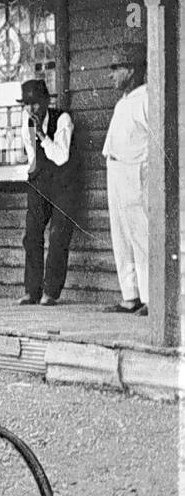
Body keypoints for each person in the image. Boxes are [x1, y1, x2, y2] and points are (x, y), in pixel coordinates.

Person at [17, 79, 78, 307]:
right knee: (32, 234)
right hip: (39, 182)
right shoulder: (27, 121)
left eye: (35, 103)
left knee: (58, 236)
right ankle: (31, 290)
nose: (31, 109)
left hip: (62, 184)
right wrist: (32, 174)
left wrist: (42, 135)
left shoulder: (62, 119)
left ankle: (50, 292)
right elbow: (31, 153)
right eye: (26, 104)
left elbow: (61, 156)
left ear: (45, 101)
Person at [101, 43, 150, 316]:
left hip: (136, 171)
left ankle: (151, 298)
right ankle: (130, 295)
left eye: (115, 68)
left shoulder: (146, 98)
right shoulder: (124, 101)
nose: (111, 74)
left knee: (141, 235)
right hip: (116, 170)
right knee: (120, 235)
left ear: (131, 70)